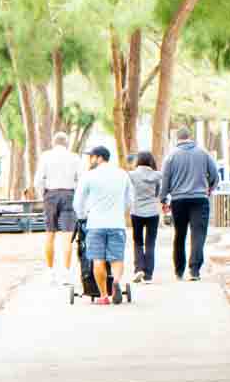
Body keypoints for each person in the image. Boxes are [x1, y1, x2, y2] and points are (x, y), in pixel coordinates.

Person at [72, 144, 134, 306]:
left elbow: (78, 202)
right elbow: (130, 200)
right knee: (116, 258)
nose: (90, 160)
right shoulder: (122, 174)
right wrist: (121, 211)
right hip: (117, 223)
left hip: (95, 224)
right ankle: (116, 282)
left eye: (91, 157)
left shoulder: (89, 176)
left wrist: (83, 216)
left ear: (99, 157)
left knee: (98, 259)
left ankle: (104, 296)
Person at [160, 126, 219, 281]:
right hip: (200, 199)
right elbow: (215, 175)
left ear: (177, 139)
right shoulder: (203, 153)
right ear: (190, 137)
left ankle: (179, 270)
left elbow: (165, 180)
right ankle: (194, 270)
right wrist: (209, 189)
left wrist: (163, 199)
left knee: (180, 234)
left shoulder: (171, 156)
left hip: (178, 201)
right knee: (198, 234)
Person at [33, 131, 82, 286]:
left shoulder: (46, 156)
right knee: (67, 237)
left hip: (51, 195)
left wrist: (44, 194)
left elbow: (38, 181)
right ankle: (66, 274)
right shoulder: (75, 157)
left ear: (54, 143)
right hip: (69, 194)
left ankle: (50, 272)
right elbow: (80, 179)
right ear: (66, 144)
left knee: (50, 234)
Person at [128, 150, 162, 282]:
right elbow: (158, 193)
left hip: (136, 211)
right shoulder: (158, 175)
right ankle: (148, 275)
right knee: (150, 243)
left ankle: (139, 269)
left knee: (137, 242)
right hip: (153, 212)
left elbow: (129, 192)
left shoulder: (131, 175)